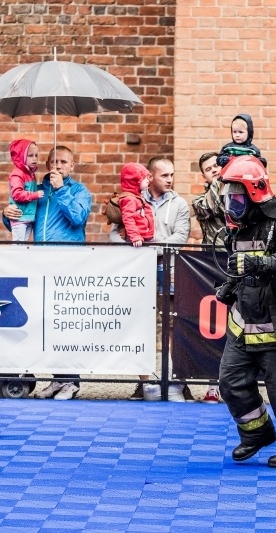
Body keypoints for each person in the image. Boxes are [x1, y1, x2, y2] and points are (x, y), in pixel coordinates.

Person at [214, 155, 276, 468]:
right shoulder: (239, 229)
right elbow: (240, 266)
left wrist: (260, 263)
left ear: (255, 193)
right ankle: (256, 433)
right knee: (230, 383)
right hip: (243, 324)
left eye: (237, 197)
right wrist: (231, 285)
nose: (232, 204)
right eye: (229, 197)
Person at [3, 145, 92, 400]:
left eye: (63, 161)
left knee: (67, 322)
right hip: (40, 262)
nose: (58, 165)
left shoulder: (78, 191)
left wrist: (62, 190)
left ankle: (71, 381)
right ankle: (56, 378)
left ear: (72, 166)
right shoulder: (36, 188)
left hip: (68, 263)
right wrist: (6, 213)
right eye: (53, 161)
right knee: (46, 322)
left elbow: (78, 217)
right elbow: (22, 214)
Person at [120, 157, 191, 402]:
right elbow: (116, 234)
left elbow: (180, 237)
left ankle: (177, 381)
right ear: (150, 176)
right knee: (141, 325)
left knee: (172, 326)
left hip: (169, 269)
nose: (170, 179)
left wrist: (148, 247)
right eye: (164, 175)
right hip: (140, 272)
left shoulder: (180, 204)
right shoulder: (132, 199)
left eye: (172, 174)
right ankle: (145, 383)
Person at [190, 151, 226, 403]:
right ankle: (213, 384)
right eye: (209, 168)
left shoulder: (240, 194)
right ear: (203, 175)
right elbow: (213, 207)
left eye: (217, 165)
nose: (214, 169)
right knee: (214, 327)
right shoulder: (199, 199)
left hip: (239, 265)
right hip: (212, 267)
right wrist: (219, 183)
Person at [7, 139, 44, 241]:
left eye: (36, 155)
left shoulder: (30, 174)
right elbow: (17, 194)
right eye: (30, 155)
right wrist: (34, 195)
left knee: (24, 246)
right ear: (22, 156)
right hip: (19, 217)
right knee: (19, 247)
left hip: (27, 217)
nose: (34, 159)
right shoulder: (17, 174)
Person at [117, 162, 154, 247]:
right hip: (136, 240)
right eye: (145, 179)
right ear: (135, 182)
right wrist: (135, 236)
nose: (148, 181)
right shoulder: (130, 199)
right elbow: (128, 218)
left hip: (143, 237)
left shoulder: (137, 197)